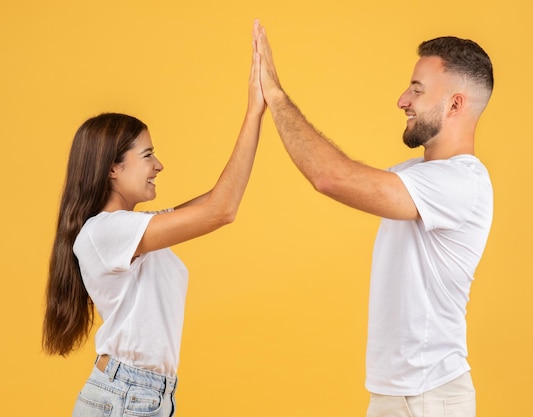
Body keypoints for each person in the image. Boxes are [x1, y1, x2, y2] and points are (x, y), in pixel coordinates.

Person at [253, 20, 494, 417]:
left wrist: (276, 97)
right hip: (394, 394)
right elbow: (340, 175)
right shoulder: (410, 174)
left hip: (431, 398)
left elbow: (331, 176)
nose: (403, 100)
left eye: (417, 89)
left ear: (455, 104)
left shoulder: (462, 182)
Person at [42, 30, 265, 417]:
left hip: (143, 395)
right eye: (148, 155)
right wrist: (253, 111)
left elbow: (218, 201)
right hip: (128, 396)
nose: (158, 166)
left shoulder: (133, 230)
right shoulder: (105, 232)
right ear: (113, 168)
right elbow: (221, 210)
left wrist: (260, 111)